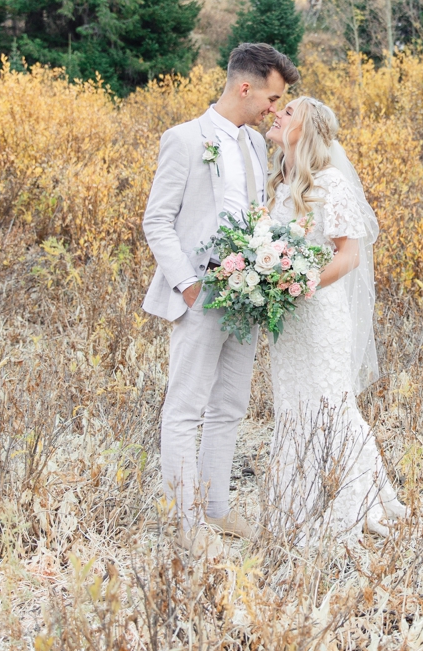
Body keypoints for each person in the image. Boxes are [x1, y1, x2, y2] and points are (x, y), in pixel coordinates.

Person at [140, 42, 298, 559]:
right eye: (272, 98)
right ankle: (185, 520)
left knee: (229, 405)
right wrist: (187, 283)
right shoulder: (184, 139)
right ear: (245, 87)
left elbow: (254, 213)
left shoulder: (255, 145)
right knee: (185, 407)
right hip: (200, 289)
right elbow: (157, 220)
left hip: (246, 291)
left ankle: (215, 508)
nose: (275, 110)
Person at [260, 96, 406, 545]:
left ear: (306, 129)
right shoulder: (280, 186)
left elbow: (349, 255)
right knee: (292, 404)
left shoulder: (331, 184)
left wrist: (302, 284)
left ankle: (350, 503)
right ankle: (297, 505)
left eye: (288, 113)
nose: (277, 115)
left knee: (329, 403)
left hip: (320, 314)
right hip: (288, 322)